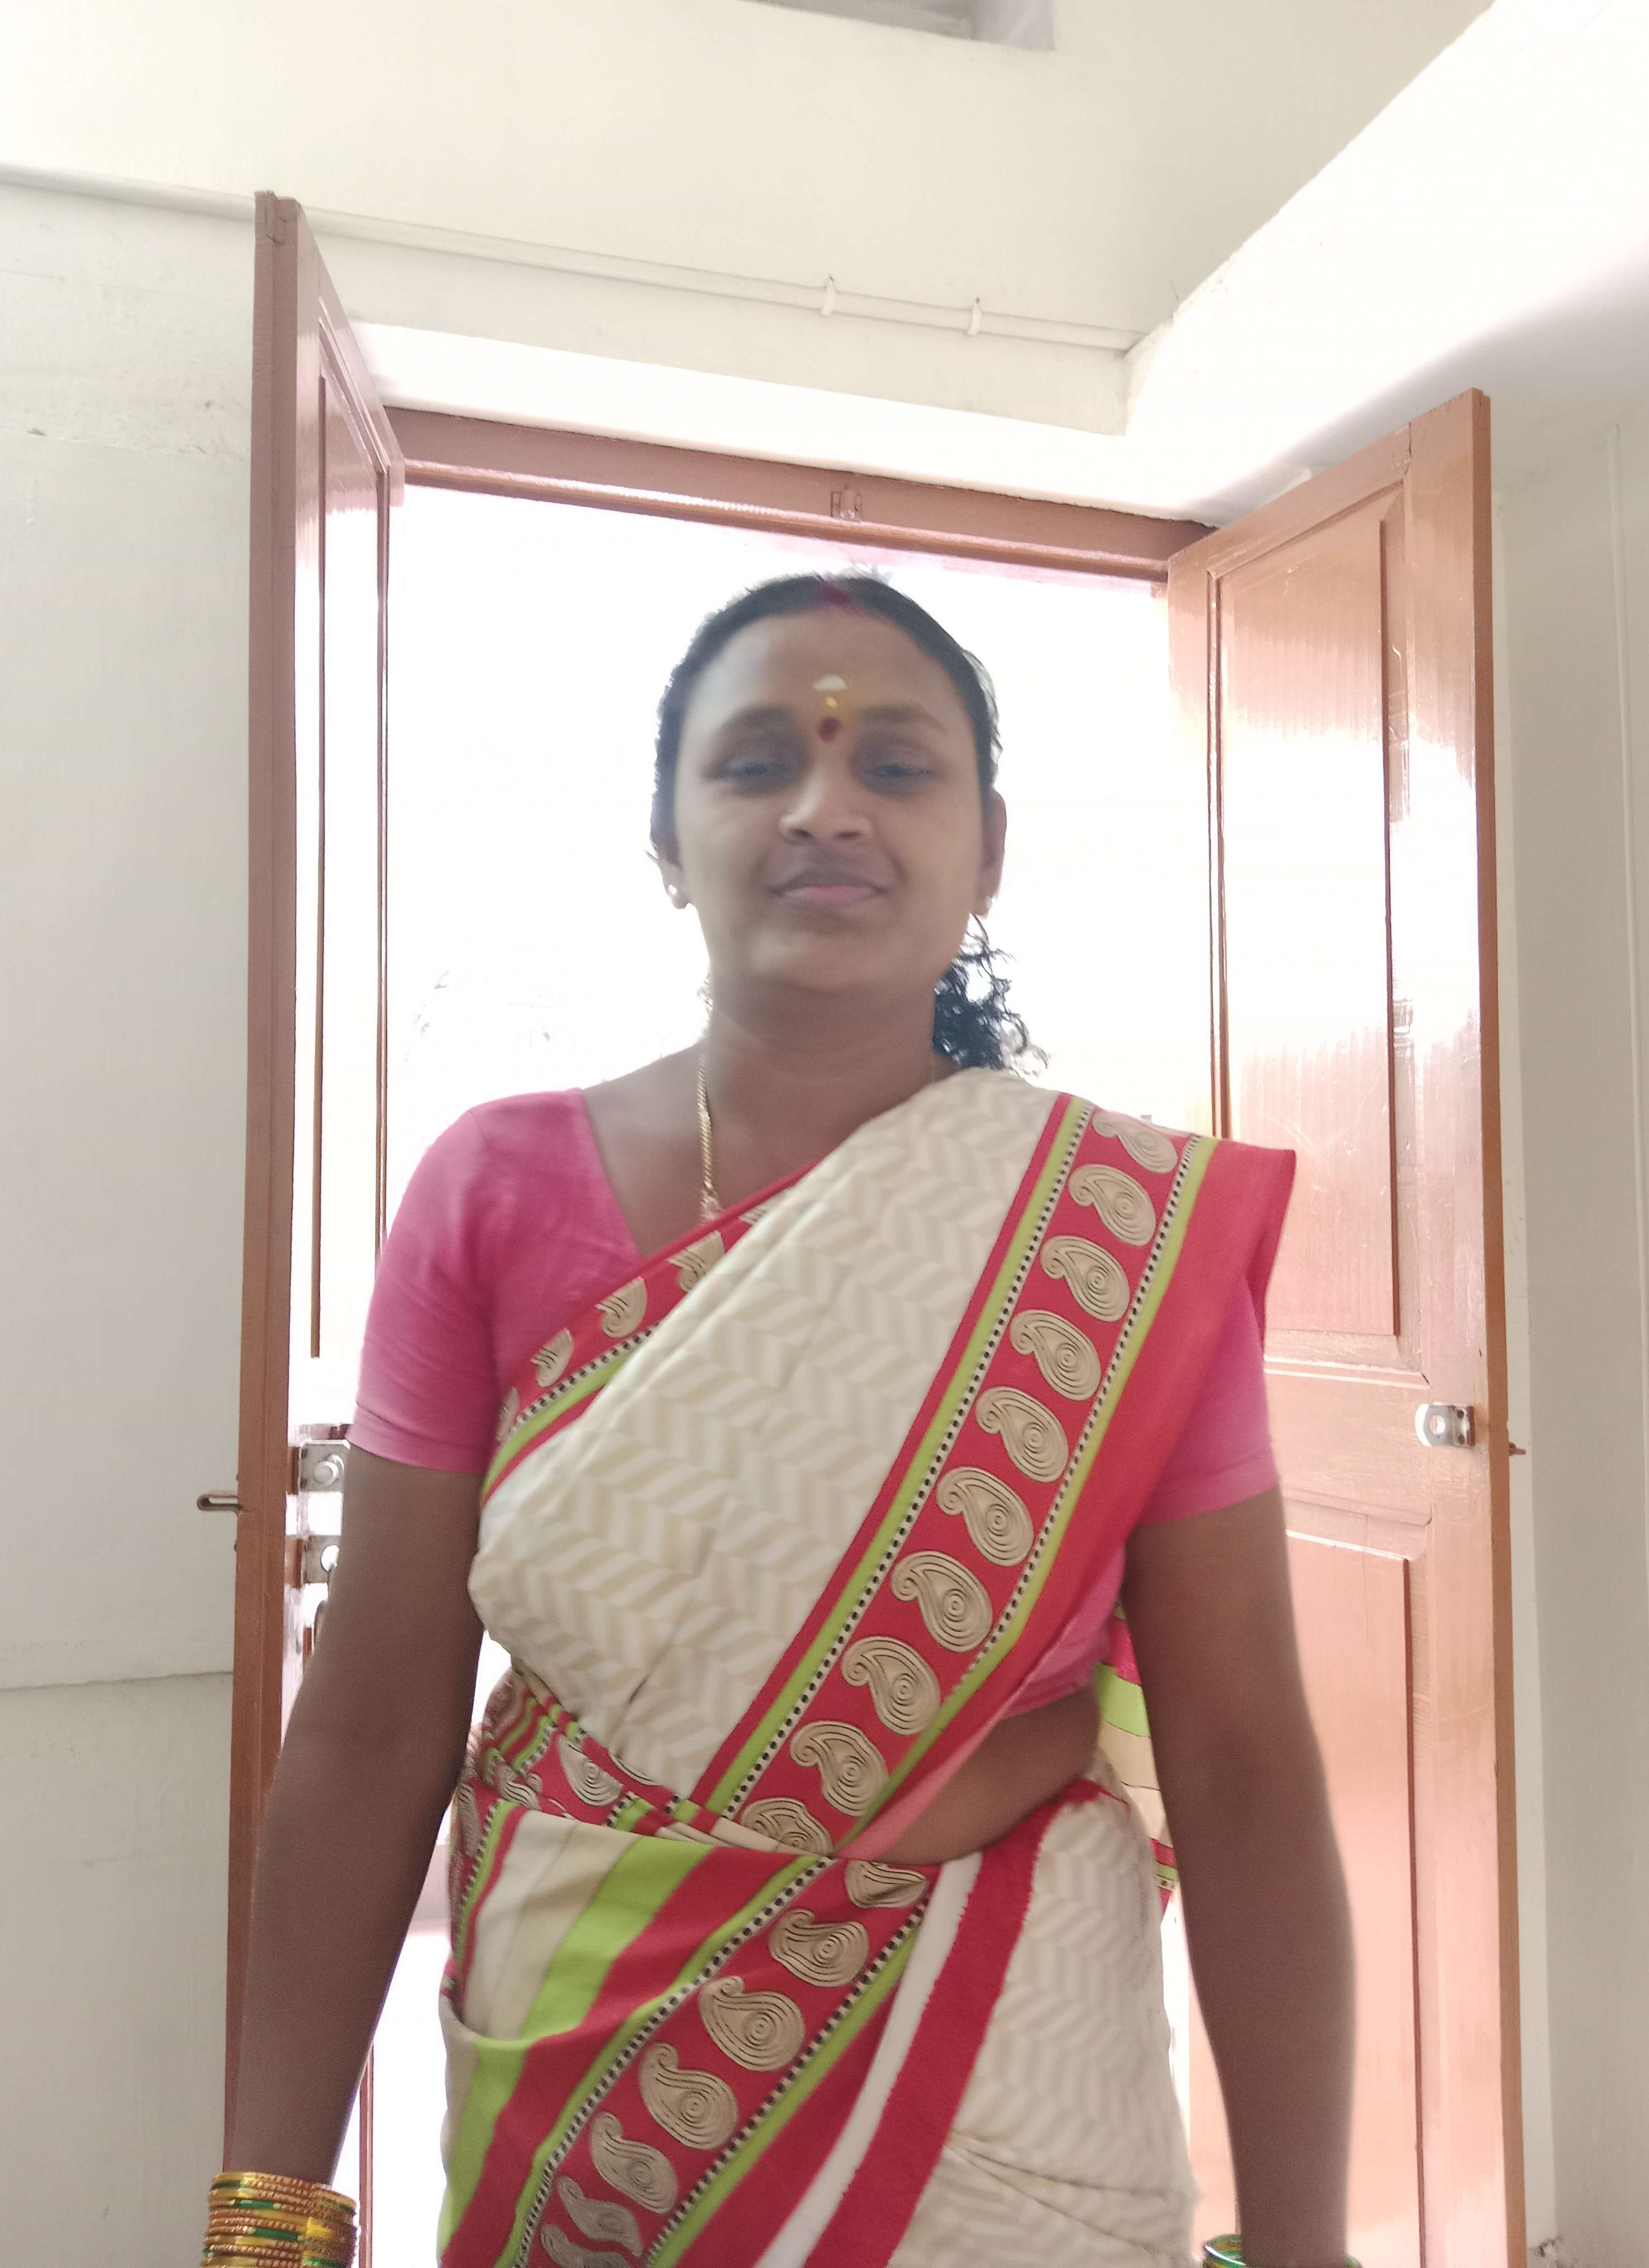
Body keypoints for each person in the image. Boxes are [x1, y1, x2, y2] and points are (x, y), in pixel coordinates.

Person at [212, 575, 1357, 2268]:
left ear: (988, 849)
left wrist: (1306, 2245)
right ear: (666, 838)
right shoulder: (496, 1188)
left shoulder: (1112, 1239)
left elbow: (1243, 1758)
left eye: (897, 766)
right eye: (756, 763)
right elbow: (375, 1725)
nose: (826, 807)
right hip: (592, 2095)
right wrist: (265, 2220)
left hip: (1005, 2085)